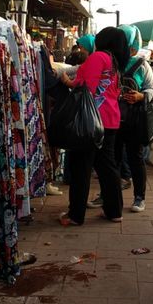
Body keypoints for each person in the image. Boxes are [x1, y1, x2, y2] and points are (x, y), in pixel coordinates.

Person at [60, 27, 130, 225]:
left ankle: (75, 215)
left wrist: (68, 82)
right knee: (107, 167)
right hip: (109, 119)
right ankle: (114, 211)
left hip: (92, 120)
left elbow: (86, 87)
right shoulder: (115, 61)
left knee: (81, 166)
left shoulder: (99, 56)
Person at [110, 25, 153, 212]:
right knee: (113, 158)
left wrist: (140, 96)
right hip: (113, 118)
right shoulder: (111, 62)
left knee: (135, 158)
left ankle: (139, 197)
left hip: (134, 119)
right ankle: (108, 194)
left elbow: (152, 89)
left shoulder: (142, 65)